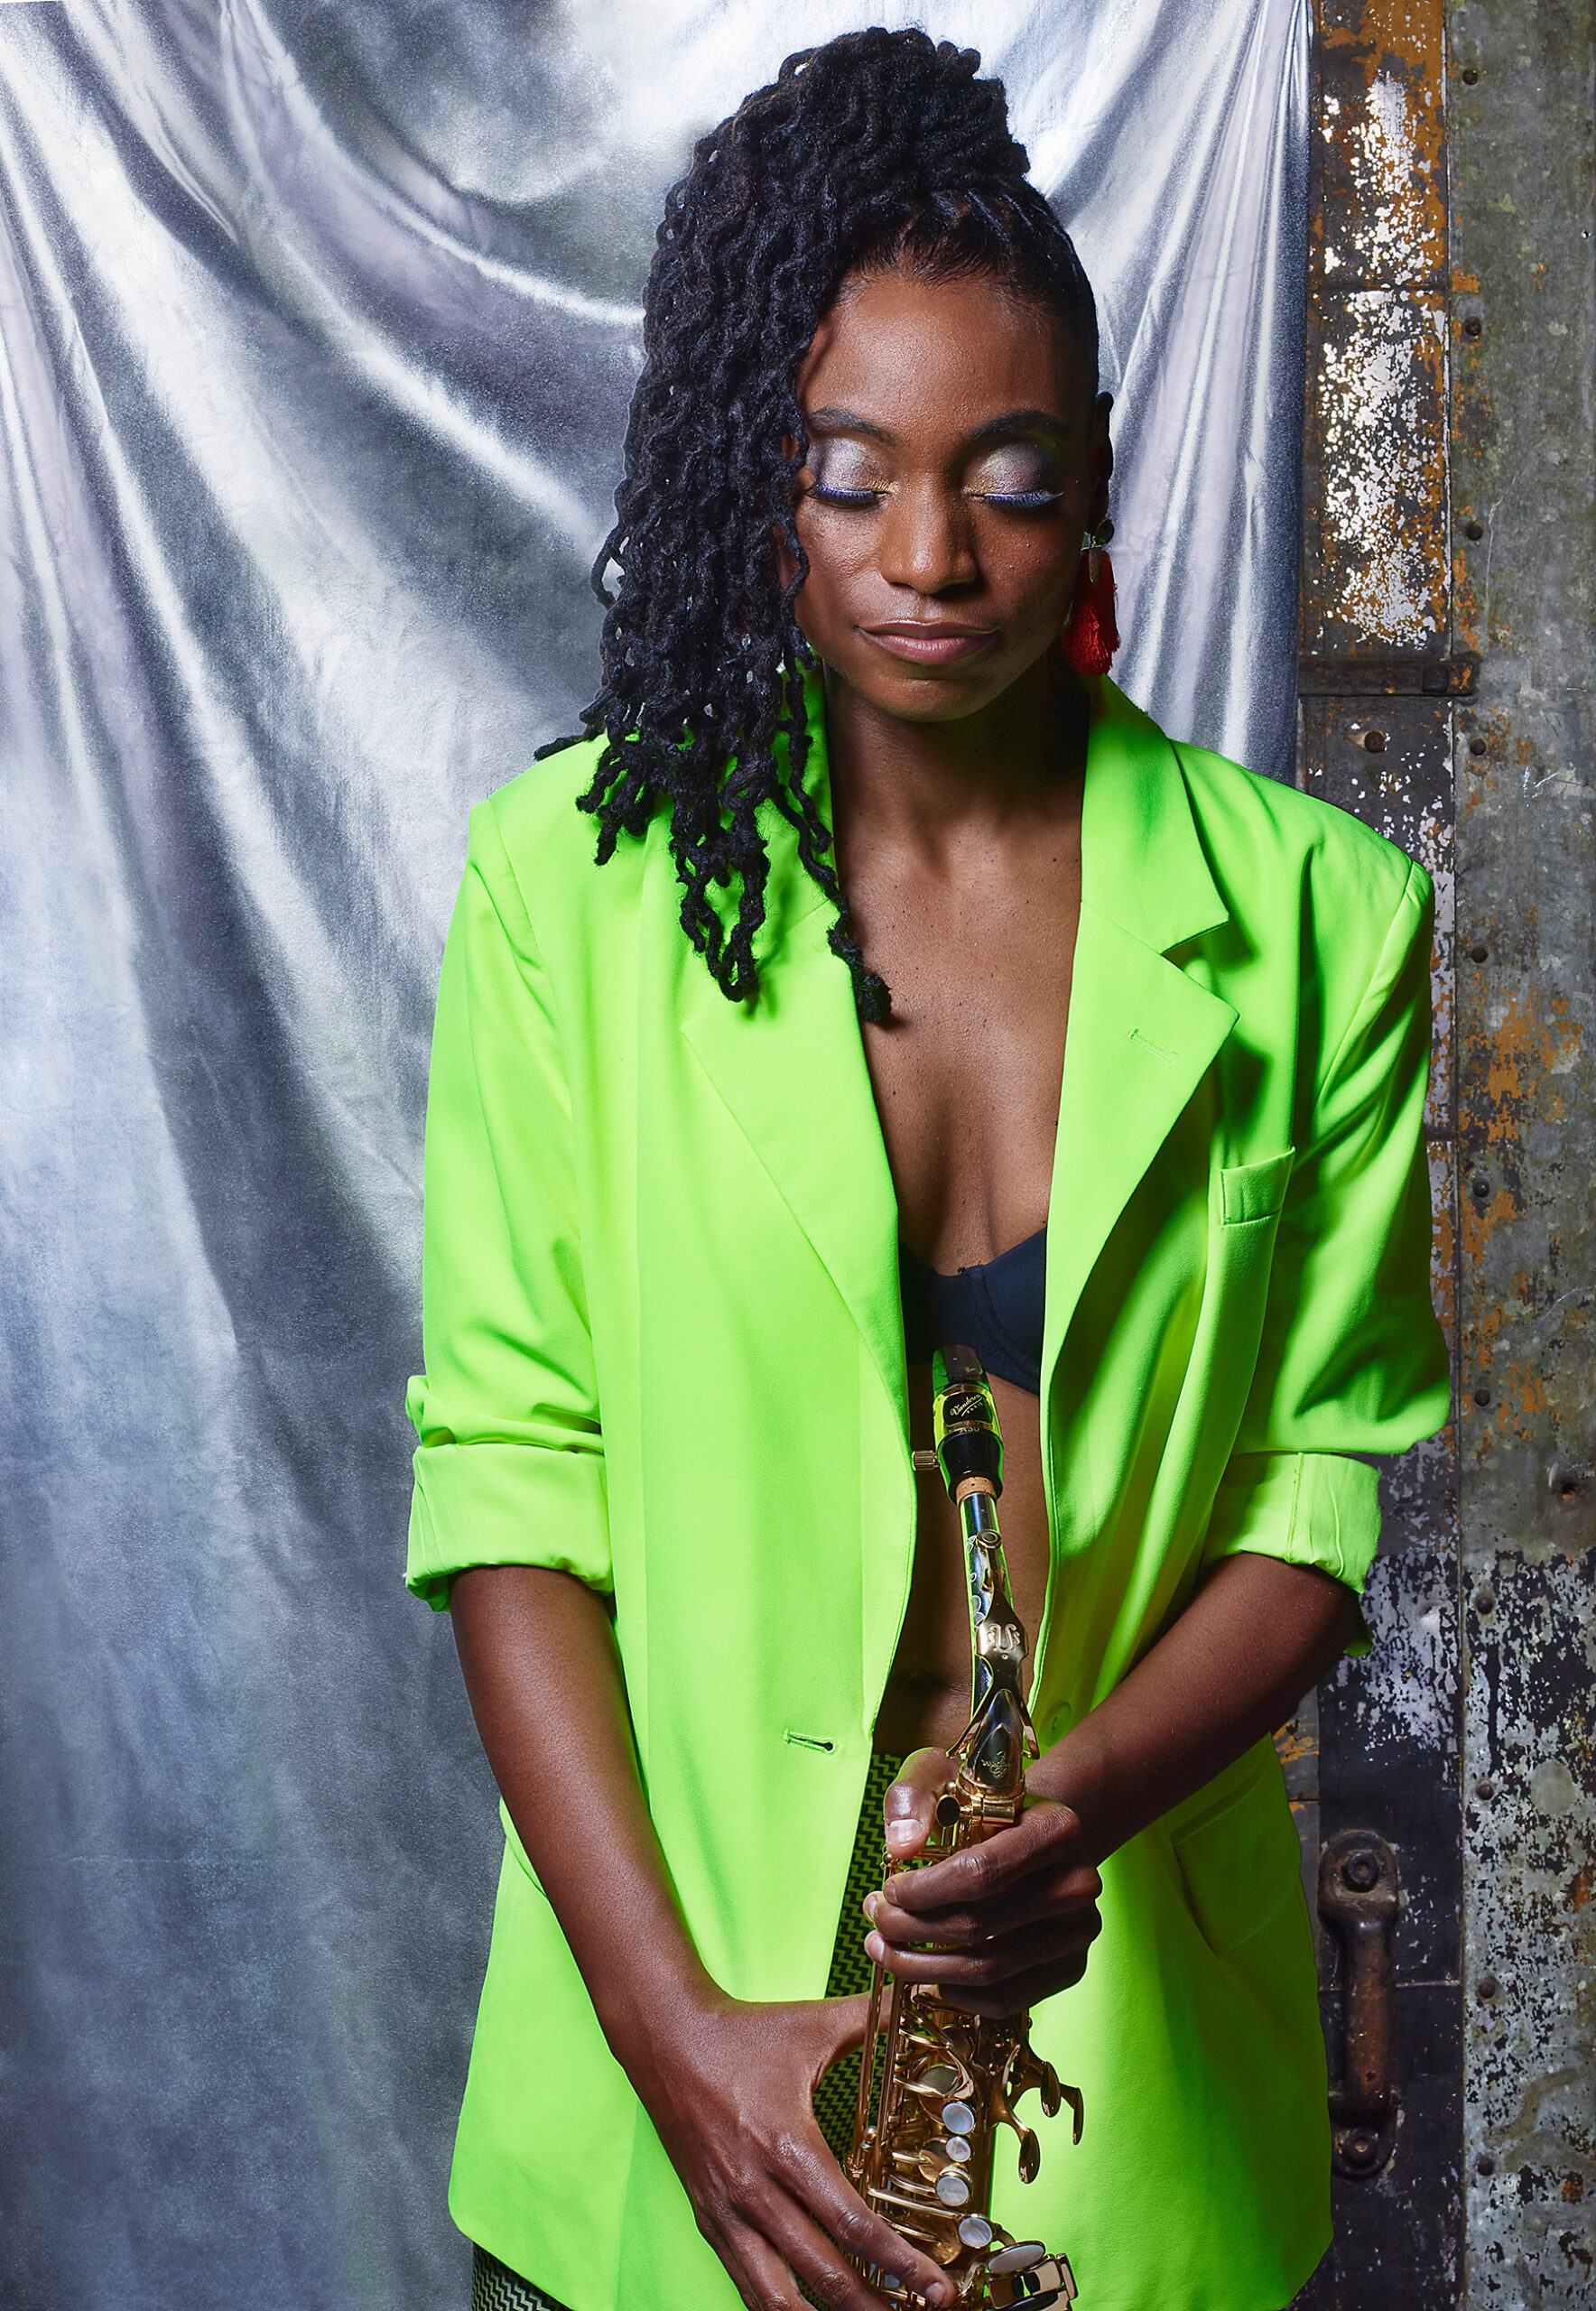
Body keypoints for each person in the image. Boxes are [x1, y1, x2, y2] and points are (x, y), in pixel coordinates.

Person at [404, 30, 1448, 2311]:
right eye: (848, 475)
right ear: (754, 479)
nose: (927, 557)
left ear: (1094, 478)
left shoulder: (1319, 922)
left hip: (1116, 2114)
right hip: (660, 2101)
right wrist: (678, 2045)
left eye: (1006, 478)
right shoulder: (560, 893)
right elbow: (509, 1485)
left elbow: (1308, 1495)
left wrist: (1077, 1802)